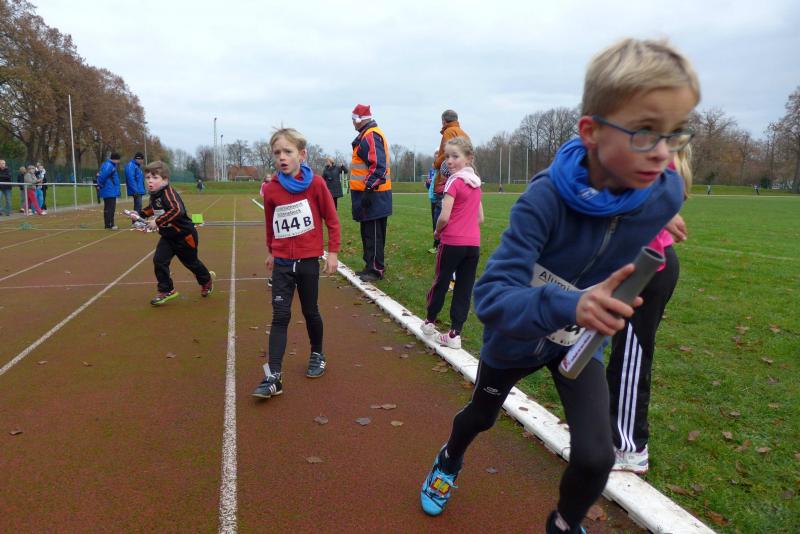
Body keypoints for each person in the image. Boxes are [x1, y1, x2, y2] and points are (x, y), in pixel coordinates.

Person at [418, 38, 699, 534]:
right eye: (644, 132)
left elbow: (656, 197)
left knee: (596, 456)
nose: (662, 154)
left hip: (578, 345)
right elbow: (491, 296)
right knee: (480, 416)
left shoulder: (664, 189)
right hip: (517, 336)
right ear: (591, 132)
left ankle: (565, 525)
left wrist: (658, 217)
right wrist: (573, 303)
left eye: (673, 134)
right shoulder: (543, 200)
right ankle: (449, 458)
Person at [607, 146, 692, 474]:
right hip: (640, 264)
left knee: (631, 358)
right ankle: (613, 434)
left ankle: (630, 446)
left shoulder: (656, 160)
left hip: (648, 268)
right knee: (623, 354)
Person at [251, 128, 340, 399]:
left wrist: (333, 253)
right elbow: (271, 224)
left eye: (288, 152)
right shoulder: (271, 189)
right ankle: (273, 376)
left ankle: (317, 354)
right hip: (282, 263)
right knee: (280, 316)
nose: (282, 157)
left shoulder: (317, 185)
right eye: (277, 153)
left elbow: (332, 220)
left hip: (308, 261)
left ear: (301, 154)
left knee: (310, 311)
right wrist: (271, 251)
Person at [420, 137, 483, 350]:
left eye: (455, 156)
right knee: (464, 287)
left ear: (468, 158)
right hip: (473, 245)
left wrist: (438, 231)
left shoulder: (454, 182)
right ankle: (455, 333)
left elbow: (444, 216)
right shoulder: (476, 183)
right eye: (447, 156)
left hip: (452, 242)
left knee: (441, 280)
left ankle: (429, 321)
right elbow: (480, 217)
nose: (449, 161)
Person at [126, 161, 215, 306]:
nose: (150, 181)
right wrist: (139, 214)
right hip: (168, 237)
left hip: (184, 236)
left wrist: (157, 222)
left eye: (155, 178)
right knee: (159, 261)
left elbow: (177, 210)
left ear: (165, 180)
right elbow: (153, 208)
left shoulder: (168, 193)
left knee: (191, 263)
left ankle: (206, 280)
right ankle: (167, 290)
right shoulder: (156, 195)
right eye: (148, 177)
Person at [349, 104, 392, 282]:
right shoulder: (367, 135)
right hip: (370, 194)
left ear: (359, 119)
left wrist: (368, 188)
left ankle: (375, 269)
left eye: (353, 119)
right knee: (368, 232)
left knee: (373, 234)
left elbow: (378, 166)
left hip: (374, 195)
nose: (352, 123)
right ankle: (370, 266)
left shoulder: (371, 136)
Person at [432, 110, 470, 225]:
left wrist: (436, 163)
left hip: (446, 181)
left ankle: (439, 236)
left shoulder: (448, 131)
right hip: (463, 179)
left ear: (444, 121)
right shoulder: (465, 134)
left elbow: (446, 154)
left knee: (440, 217)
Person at [97, 152, 121, 229]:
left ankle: (108, 224)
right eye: (118, 160)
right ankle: (110, 224)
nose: (119, 161)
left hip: (110, 190)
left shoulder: (110, 165)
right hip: (109, 190)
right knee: (110, 208)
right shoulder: (109, 166)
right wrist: (100, 185)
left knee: (108, 207)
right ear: (115, 159)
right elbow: (102, 177)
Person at [425, 151, 439, 254]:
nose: (436, 155)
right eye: (435, 154)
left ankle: (440, 245)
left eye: (438, 153)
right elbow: (429, 186)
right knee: (434, 222)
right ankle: (436, 245)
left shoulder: (443, 170)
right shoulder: (432, 170)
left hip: (440, 198)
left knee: (439, 222)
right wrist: (427, 183)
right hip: (433, 199)